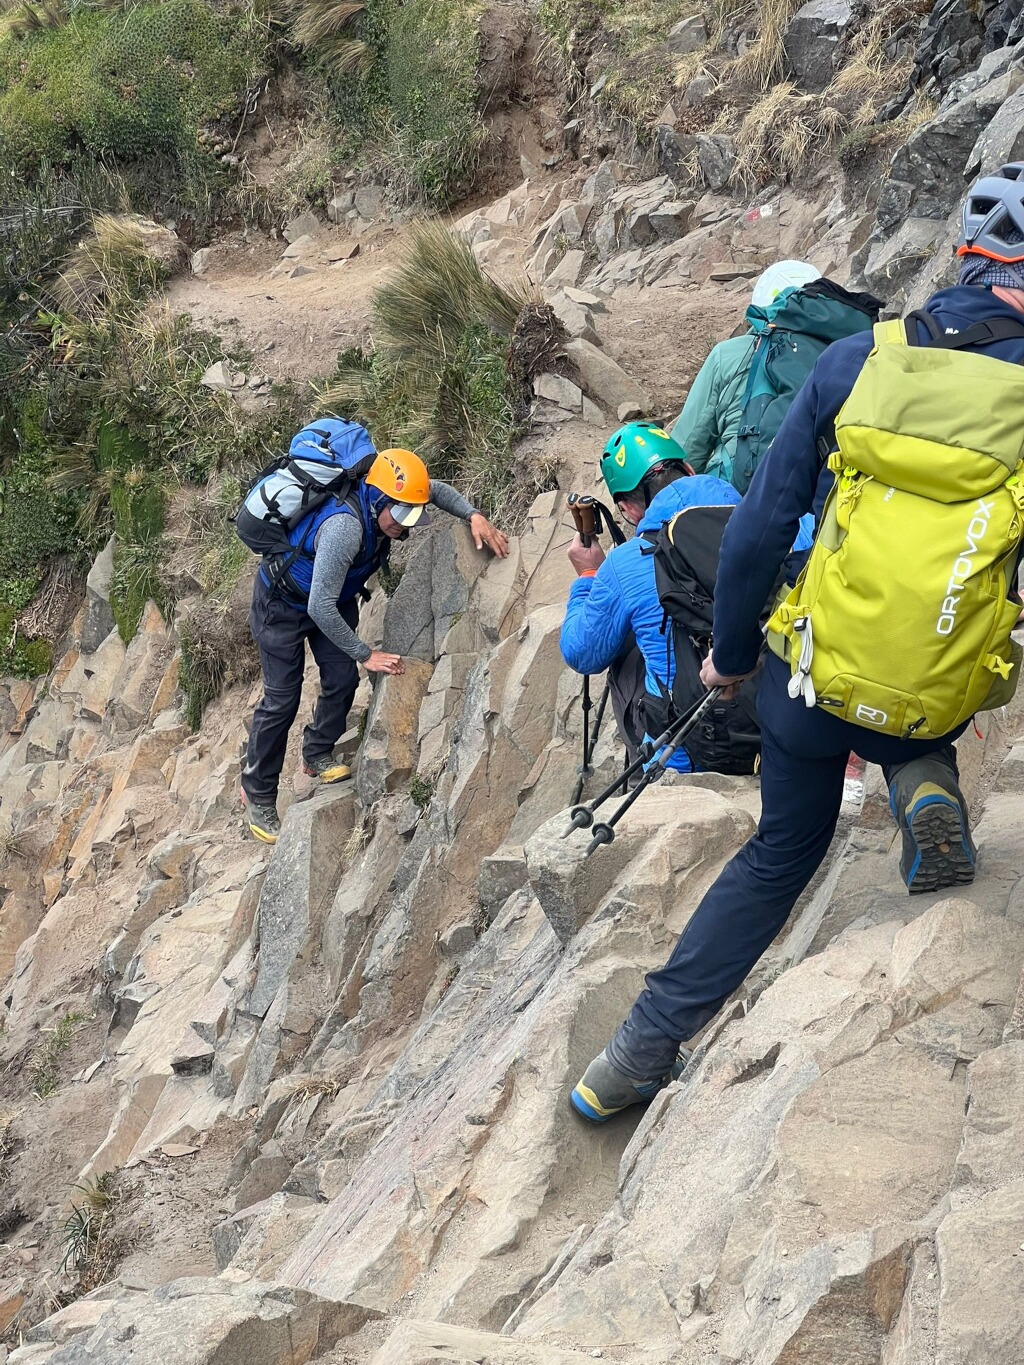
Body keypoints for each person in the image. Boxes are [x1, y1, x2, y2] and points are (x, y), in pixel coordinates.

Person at [571, 165, 1024, 1123]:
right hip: (936, 688)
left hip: (808, 681)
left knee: (781, 849)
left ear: (964, 260)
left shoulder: (859, 359)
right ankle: (921, 773)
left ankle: (634, 1052)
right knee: (929, 670)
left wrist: (733, 654)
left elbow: (752, 537)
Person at [241, 445, 508, 844]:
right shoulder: (344, 529)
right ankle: (258, 793)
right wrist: (366, 654)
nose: (405, 524)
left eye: (412, 515)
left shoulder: (393, 494)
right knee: (282, 698)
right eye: (400, 515)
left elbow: (435, 491)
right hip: (283, 604)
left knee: (342, 680)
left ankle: (316, 752)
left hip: (334, 597)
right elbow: (319, 607)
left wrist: (473, 515)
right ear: (379, 500)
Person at [560, 423, 741, 774]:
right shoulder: (777, 522)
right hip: (782, 724)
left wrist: (588, 575)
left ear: (628, 509)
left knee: (628, 648)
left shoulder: (626, 564)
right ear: (689, 469)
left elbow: (582, 653)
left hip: (687, 755)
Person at [671, 260, 821, 485]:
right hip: (815, 492)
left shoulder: (727, 354)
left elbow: (691, 442)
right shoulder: (842, 355)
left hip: (738, 492)